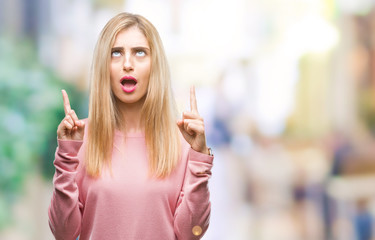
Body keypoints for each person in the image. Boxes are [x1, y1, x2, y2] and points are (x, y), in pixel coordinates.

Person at [48, 12, 214, 240]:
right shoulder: (80, 139)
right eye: (116, 53)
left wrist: (199, 159)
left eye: (140, 53)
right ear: (103, 66)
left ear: (154, 64)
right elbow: (63, 233)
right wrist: (67, 157)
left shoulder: (183, 142)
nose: (128, 64)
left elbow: (191, 233)